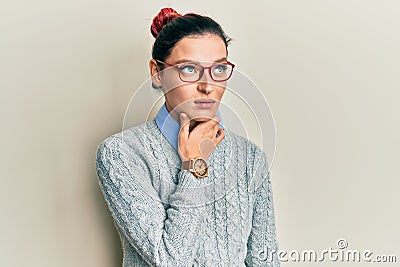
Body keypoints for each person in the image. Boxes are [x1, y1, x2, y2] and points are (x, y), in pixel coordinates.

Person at [96, 7, 280, 267]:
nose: (207, 85)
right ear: (156, 73)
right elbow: (171, 260)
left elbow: (265, 261)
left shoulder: (250, 158)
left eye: (218, 69)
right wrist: (195, 165)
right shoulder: (121, 154)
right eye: (189, 69)